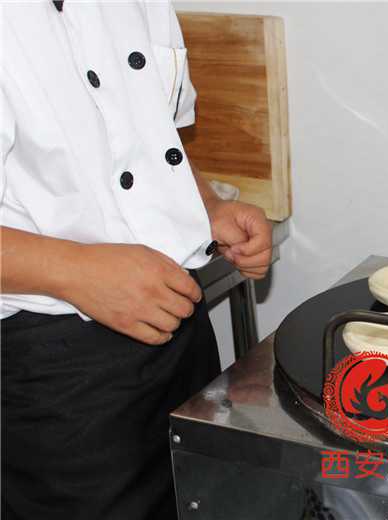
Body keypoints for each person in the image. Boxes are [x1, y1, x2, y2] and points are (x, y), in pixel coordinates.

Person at [0, 1, 273, 518]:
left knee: (207, 500)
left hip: (178, 321)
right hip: (52, 371)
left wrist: (206, 207)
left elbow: (149, 132)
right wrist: (71, 269)